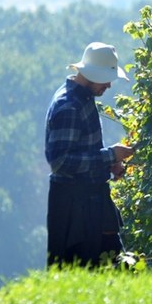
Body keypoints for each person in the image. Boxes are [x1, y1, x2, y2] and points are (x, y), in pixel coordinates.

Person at [44, 42, 134, 267]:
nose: (109, 86)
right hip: (73, 207)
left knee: (113, 266)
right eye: (106, 79)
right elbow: (60, 162)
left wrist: (108, 163)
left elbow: (82, 152)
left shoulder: (83, 98)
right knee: (79, 273)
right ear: (91, 75)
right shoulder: (68, 106)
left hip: (90, 201)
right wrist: (110, 156)